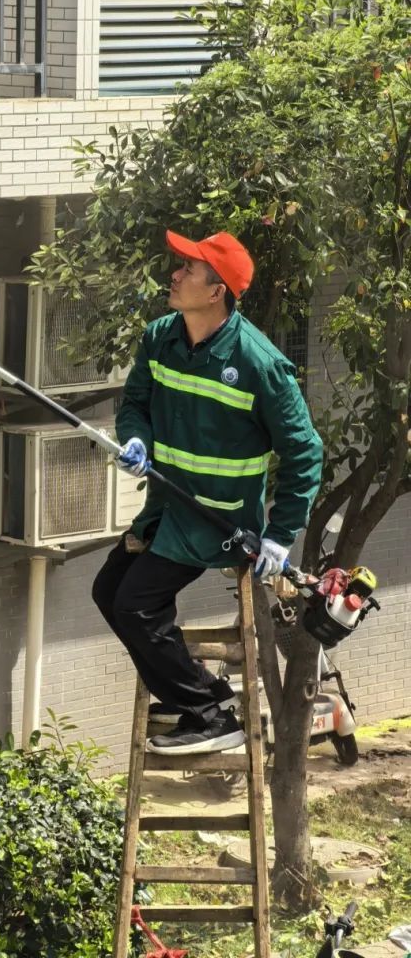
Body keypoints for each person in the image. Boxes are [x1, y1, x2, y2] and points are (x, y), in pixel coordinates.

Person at [92, 229, 322, 755]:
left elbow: (305, 451)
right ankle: (198, 690)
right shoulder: (160, 337)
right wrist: (136, 439)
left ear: (217, 290)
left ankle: (212, 716)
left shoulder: (259, 364)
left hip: (216, 523)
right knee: (107, 592)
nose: (175, 275)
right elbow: (136, 404)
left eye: (189, 270)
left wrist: (280, 536)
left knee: (135, 606)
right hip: (166, 508)